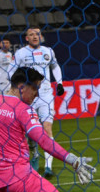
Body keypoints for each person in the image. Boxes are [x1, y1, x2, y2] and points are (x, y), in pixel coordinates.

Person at [13, 28, 64, 178]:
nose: (35, 36)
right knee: (30, 131)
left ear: (40, 37)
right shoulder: (21, 53)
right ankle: (34, 154)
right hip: (29, 96)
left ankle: (48, 167)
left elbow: (55, 66)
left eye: (37, 34)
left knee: (47, 128)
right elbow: (12, 70)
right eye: (31, 35)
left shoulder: (48, 51)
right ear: (26, 38)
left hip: (46, 95)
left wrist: (59, 83)